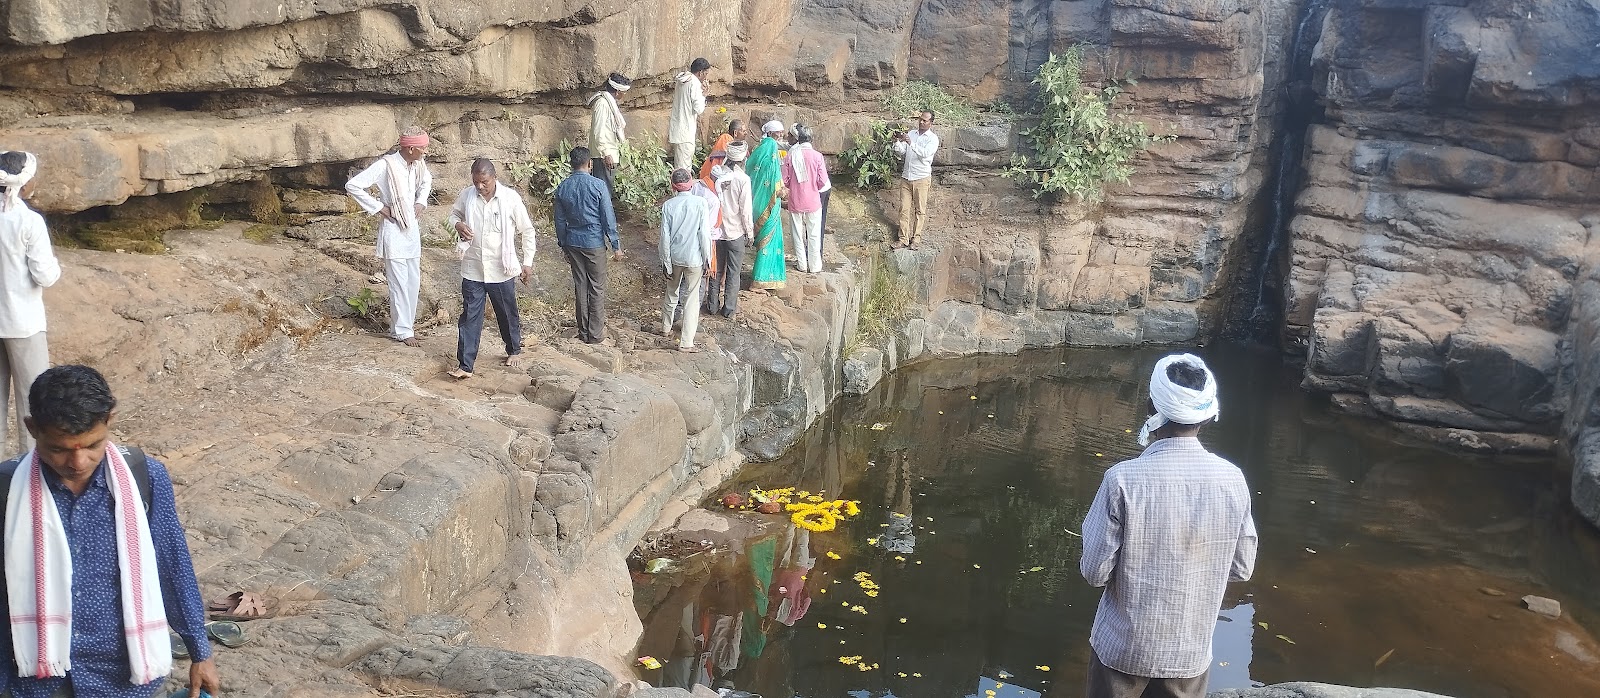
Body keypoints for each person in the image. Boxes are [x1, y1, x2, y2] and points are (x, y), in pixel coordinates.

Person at [0, 365, 220, 698]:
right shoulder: (6, 488)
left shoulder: (146, 478)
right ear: (32, 428)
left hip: (122, 672)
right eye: (59, 449)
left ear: (109, 422)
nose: (78, 462)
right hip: (37, 679)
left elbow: (173, 566)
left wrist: (200, 652)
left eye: (92, 445)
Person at [1079, 354, 1257, 698]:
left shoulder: (1122, 480)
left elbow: (1094, 572)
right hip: (1188, 655)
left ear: (1150, 407)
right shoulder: (1233, 480)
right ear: (1206, 415)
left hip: (1122, 650)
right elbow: (1242, 567)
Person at [445, 159, 537, 379]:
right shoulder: (467, 195)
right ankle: (465, 365)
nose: (479, 186)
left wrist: (527, 262)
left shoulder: (510, 199)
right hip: (473, 267)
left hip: (501, 268)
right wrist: (458, 225)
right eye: (476, 182)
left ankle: (513, 349)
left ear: (494, 177)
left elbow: (527, 230)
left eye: (484, 182)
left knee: (506, 313)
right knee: (469, 317)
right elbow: (452, 216)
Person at [345, 126, 434, 347]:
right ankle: (403, 331)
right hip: (394, 231)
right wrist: (379, 207)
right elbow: (353, 185)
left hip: (411, 230)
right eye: (423, 148)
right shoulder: (386, 165)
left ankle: (403, 327)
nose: (425, 151)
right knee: (399, 282)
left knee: (413, 280)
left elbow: (426, 182)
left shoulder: (418, 164)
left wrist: (421, 202)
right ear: (411, 148)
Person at [0, 151, 60, 454]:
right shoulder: (28, 222)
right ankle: (29, 473)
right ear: (23, 184)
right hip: (23, 323)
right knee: (33, 402)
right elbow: (45, 275)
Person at [554, 147, 623, 345]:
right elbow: (608, 218)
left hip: (573, 242)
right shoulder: (598, 185)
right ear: (590, 164)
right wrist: (615, 244)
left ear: (571, 164)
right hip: (594, 243)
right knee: (597, 288)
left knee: (580, 286)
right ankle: (595, 334)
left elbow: (559, 221)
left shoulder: (563, 187)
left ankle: (583, 331)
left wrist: (563, 244)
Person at [658, 170, 712, 352]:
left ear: (673, 186)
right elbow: (704, 234)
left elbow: (664, 237)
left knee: (671, 291)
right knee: (691, 299)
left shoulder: (668, 206)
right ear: (691, 183)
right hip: (694, 258)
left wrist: (665, 261)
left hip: (674, 256)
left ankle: (665, 327)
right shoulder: (700, 203)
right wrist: (708, 259)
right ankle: (686, 342)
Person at [705, 140, 752, 318]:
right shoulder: (743, 179)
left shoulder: (716, 173)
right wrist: (750, 233)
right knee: (733, 273)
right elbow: (745, 210)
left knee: (716, 269)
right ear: (743, 157)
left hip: (717, 231)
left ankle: (712, 306)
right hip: (735, 232)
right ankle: (729, 309)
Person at [780, 124, 830, 274]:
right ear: (811, 139)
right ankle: (815, 266)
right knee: (814, 234)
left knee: (797, 234)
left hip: (795, 200)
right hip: (814, 200)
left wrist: (795, 185)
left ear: (798, 139)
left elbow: (785, 180)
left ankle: (802, 265)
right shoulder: (817, 156)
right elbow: (822, 181)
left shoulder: (791, 155)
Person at [747, 121, 787, 291]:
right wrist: (782, 191)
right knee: (770, 239)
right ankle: (762, 278)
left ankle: (762, 277)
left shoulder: (759, 148)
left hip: (758, 202)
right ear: (771, 134)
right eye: (778, 133)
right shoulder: (771, 147)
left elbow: (750, 170)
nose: (781, 136)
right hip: (769, 203)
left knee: (765, 239)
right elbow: (774, 180)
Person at [892, 110, 939, 249]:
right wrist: (897, 142)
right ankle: (903, 239)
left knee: (920, 210)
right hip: (907, 177)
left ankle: (916, 239)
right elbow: (902, 152)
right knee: (904, 209)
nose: (921, 122)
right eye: (920, 119)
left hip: (922, 178)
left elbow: (924, 154)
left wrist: (911, 143)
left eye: (925, 120)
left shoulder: (933, 139)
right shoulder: (912, 133)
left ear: (931, 123)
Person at [587, 72, 632, 203]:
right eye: (624, 92)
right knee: (603, 194)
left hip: (609, 155)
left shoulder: (609, 103)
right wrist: (606, 153)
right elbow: (598, 131)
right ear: (618, 91)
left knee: (606, 192)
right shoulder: (602, 104)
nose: (624, 95)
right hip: (603, 157)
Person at [669, 58, 711, 170]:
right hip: (686, 132)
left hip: (678, 130)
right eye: (705, 73)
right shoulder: (695, 83)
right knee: (684, 169)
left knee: (679, 166)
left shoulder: (682, 79)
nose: (706, 77)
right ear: (700, 72)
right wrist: (704, 95)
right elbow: (699, 109)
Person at [700, 120, 747, 184]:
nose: (746, 133)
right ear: (735, 133)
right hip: (711, 181)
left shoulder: (737, 145)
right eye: (743, 131)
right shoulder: (726, 139)